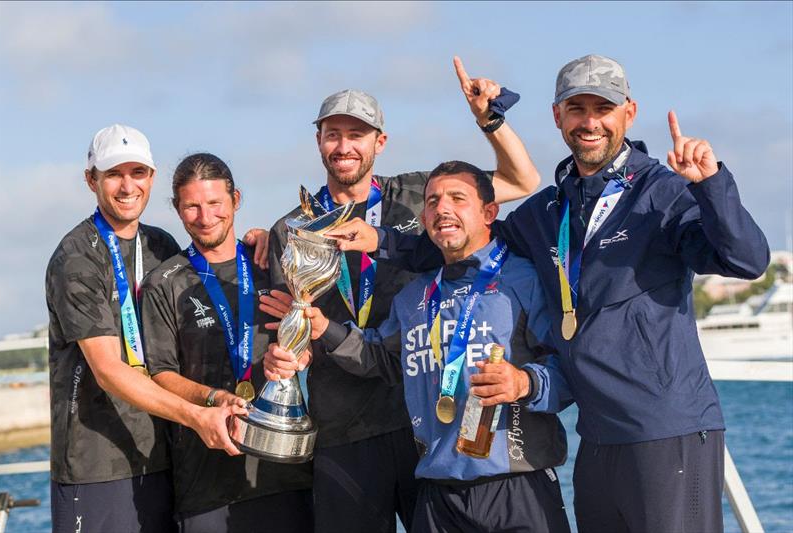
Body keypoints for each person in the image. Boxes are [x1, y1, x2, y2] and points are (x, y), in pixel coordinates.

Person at [330, 54, 771, 533]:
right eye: (576, 108)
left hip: (664, 426)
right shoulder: (545, 212)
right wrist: (386, 241)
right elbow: (469, 243)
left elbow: (745, 261)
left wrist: (711, 187)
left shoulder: (660, 192)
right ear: (557, 116)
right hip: (595, 433)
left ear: (629, 112)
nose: (589, 121)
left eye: (602, 108)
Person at [260, 57, 544, 533]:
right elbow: (295, 329)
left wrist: (489, 120)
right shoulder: (290, 230)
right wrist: (288, 357)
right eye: (333, 134)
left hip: (426, 425)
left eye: (357, 134)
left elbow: (523, 181)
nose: (344, 145)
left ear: (380, 142)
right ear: (319, 142)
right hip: (344, 428)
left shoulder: (421, 195)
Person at [45, 125, 248, 533]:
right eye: (114, 174)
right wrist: (196, 415)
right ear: (91, 180)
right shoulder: (77, 258)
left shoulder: (162, 246)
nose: (127, 186)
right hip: (97, 464)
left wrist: (254, 242)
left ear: (151, 179)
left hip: (164, 457)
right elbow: (108, 370)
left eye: (137, 173)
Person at [139, 153, 313, 532]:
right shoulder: (163, 283)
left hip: (286, 473)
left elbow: (308, 339)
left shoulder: (273, 263)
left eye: (215, 203)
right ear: (177, 209)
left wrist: (298, 356)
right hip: (206, 483)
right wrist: (213, 398)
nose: (205, 217)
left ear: (235, 200)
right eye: (192, 207)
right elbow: (160, 375)